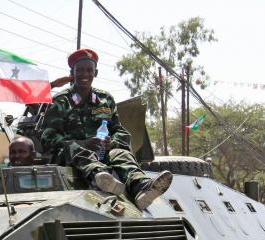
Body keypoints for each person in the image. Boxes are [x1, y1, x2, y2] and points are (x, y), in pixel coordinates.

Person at [40, 48, 172, 210]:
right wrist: (84, 143)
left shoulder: (105, 99)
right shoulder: (60, 101)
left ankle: (140, 187)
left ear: (95, 73)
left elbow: (120, 131)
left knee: (121, 153)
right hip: (71, 156)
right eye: (79, 70)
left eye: (89, 70)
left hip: (103, 153)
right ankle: (100, 177)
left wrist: (112, 142)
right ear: (72, 73)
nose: (84, 74)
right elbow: (48, 137)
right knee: (77, 149)